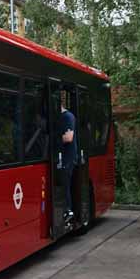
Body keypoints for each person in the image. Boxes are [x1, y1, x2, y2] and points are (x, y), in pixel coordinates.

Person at [59, 92, 77, 222]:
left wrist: (52, 139)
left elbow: (69, 137)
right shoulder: (61, 117)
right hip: (62, 157)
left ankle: (68, 211)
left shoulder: (67, 117)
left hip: (67, 157)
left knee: (65, 183)